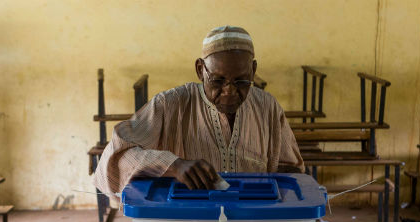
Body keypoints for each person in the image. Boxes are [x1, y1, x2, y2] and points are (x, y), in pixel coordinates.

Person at [94, 25, 304, 196]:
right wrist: (173, 166)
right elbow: (116, 157)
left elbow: (292, 170)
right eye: (218, 81)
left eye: (241, 81)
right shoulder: (170, 105)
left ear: (254, 70)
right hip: (189, 220)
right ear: (200, 70)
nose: (229, 91)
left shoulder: (267, 107)